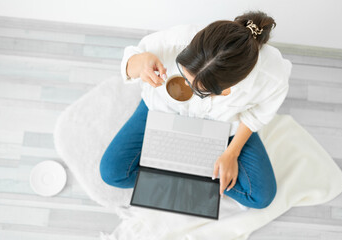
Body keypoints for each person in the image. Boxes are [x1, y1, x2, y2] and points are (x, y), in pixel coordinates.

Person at [100, 11, 292, 209]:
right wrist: (140, 62)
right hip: (163, 110)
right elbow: (130, 61)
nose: (188, 87)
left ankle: (179, 172)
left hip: (224, 126)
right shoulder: (174, 40)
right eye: (183, 75)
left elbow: (257, 116)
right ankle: (195, 176)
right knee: (112, 173)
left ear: (227, 89)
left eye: (200, 91)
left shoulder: (271, 76)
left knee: (261, 197)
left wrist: (231, 153)